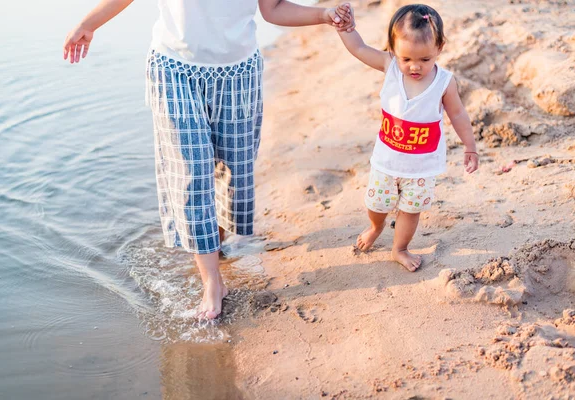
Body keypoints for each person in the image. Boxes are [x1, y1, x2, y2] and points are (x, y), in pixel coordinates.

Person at [63, 0, 356, 319]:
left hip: (237, 74)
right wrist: (89, 23)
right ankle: (212, 280)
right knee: (191, 171)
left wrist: (323, 15)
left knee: (232, 170)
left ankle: (214, 244)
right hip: (175, 70)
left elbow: (273, 8)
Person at [335, 4, 478, 272]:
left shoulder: (444, 82)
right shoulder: (389, 67)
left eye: (425, 60)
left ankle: (399, 248)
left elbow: (458, 114)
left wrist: (470, 146)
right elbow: (359, 48)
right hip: (386, 161)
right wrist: (345, 28)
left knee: (411, 211)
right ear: (392, 49)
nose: (414, 67)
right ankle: (376, 227)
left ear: (440, 47)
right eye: (406, 59)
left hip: (421, 167)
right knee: (376, 205)